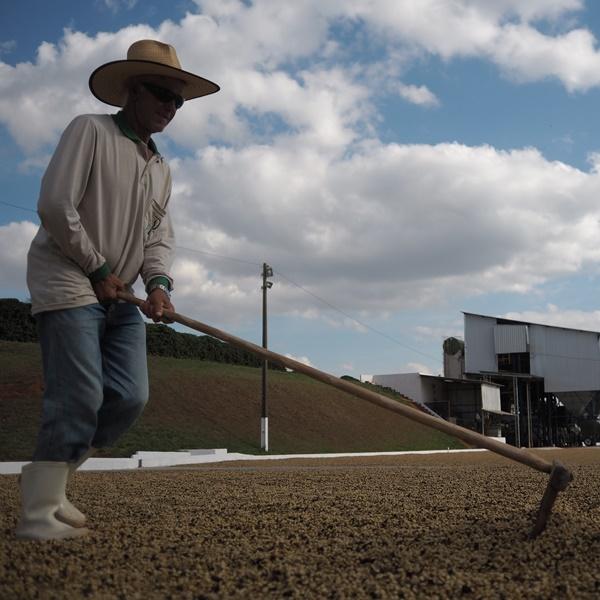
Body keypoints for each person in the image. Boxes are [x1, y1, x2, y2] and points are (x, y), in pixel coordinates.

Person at [16, 40, 219, 541]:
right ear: (130, 89)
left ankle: (54, 479)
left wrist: (159, 286)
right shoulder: (90, 130)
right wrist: (98, 265)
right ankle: (38, 514)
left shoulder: (160, 169)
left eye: (179, 101)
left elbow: (158, 238)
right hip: (68, 276)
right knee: (79, 393)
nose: (170, 107)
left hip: (122, 291)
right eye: (160, 93)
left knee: (129, 396)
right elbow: (54, 204)